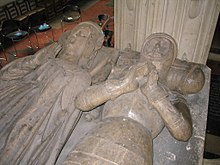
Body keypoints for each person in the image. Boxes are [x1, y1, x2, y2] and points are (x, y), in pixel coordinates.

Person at [62, 33, 206, 164]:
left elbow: (184, 133)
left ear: (171, 61)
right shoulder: (120, 77)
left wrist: (155, 95)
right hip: (94, 139)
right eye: (152, 44)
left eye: (163, 47)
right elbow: (81, 102)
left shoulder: (170, 95)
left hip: (135, 149)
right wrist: (121, 85)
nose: (156, 48)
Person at [0, 21, 125, 165]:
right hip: (12, 96)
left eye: (81, 36)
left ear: (91, 47)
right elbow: (5, 76)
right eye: (73, 33)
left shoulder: (78, 76)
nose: (73, 38)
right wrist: (34, 61)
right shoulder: (48, 56)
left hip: (27, 121)